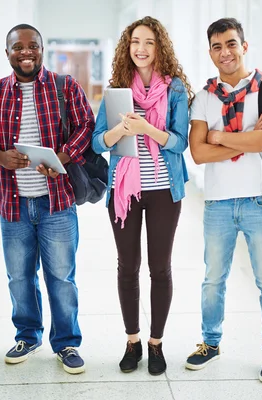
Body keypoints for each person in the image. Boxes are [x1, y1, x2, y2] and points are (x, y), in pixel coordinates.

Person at [0, 23, 94, 375]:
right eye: (18, 47)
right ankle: (27, 335)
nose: (26, 52)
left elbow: (87, 125)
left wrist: (62, 158)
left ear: (42, 48)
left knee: (61, 278)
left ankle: (67, 343)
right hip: (14, 205)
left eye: (33, 46)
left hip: (57, 203)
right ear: (7, 52)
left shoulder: (64, 87)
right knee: (19, 277)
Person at [186, 18, 262, 383]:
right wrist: (243, 138)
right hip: (217, 203)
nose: (225, 52)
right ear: (210, 52)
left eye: (231, 44)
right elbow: (197, 154)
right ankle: (210, 344)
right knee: (213, 279)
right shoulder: (204, 96)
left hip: (259, 200)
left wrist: (218, 136)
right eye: (216, 46)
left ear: (244, 47)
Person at [92, 16, 192, 375]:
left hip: (165, 189)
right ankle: (133, 341)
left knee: (160, 268)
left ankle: (156, 345)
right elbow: (97, 140)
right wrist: (122, 126)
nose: (141, 48)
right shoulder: (117, 89)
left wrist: (148, 128)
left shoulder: (175, 90)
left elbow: (180, 143)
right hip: (125, 190)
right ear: (127, 46)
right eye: (136, 41)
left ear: (159, 47)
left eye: (149, 42)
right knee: (127, 268)